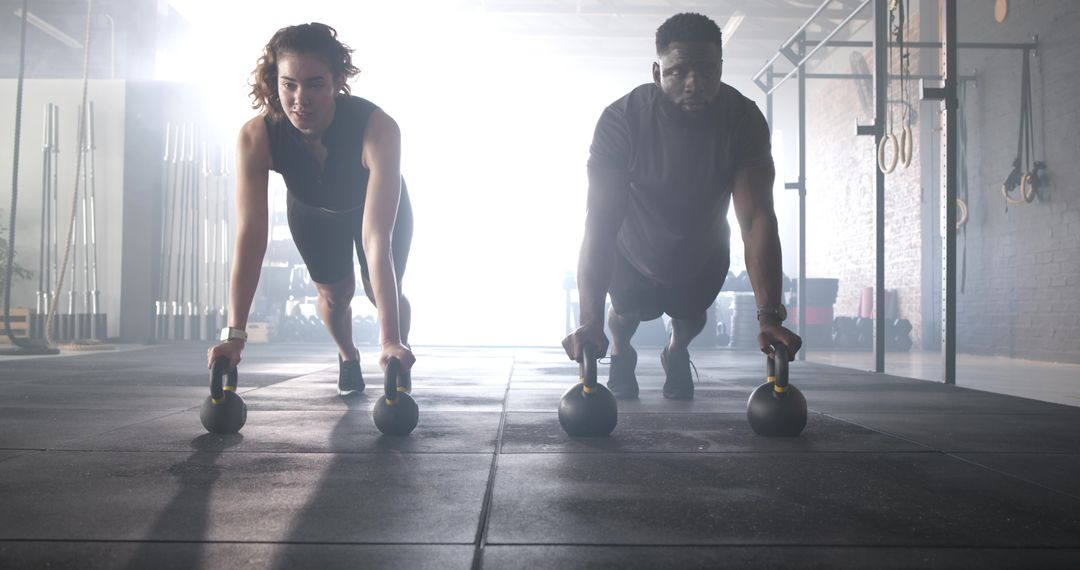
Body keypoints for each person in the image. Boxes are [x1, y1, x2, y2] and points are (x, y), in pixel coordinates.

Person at [562, 13, 801, 400]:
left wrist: (769, 316)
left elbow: (757, 219)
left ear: (720, 68)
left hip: (701, 251)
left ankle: (675, 350)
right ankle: (621, 352)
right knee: (624, 316)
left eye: (707, 71)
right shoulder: (621, 121)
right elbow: (601, 221)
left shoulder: (742, 120)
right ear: (657, 73)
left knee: (690, 318)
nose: (694, 83)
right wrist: (590, 322)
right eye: (678, 72)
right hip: (632, 249)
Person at [207, 23, 415, 395]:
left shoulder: (378, 128)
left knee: (381, 291)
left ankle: (399, 348)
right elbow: (251, 238)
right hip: (312, 213)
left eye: (315, 85)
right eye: (289, 85)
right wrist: (234, 336)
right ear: (275, 82)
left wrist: (390, 341)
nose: (300, 99)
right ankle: (348, 356)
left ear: (337, 81)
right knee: (334, 297)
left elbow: (376, 239)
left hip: (375, 210)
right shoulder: (257, 136)